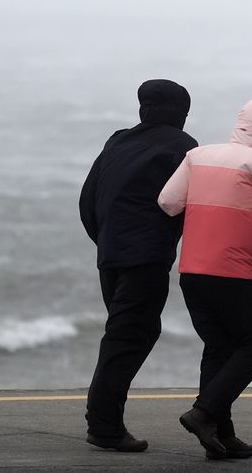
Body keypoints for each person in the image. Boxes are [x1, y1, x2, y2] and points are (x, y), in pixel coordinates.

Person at [158, 99, 252, 460]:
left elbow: (168, 202)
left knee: (219, 348)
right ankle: (203, 414)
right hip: (232, 272)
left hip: (192, 271)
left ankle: (220, 437)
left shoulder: (198, 156)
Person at [79, 79, 198, 452]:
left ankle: (104, 419)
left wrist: (108, 241)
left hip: (110, 255)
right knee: (128, 338)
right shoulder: (184, 147)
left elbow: (88, 199)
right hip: (145, 259)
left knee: (132, 334)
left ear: (143, 109)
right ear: (181, 114)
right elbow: (187, 207)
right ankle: (104, 426)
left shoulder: (118, 141)